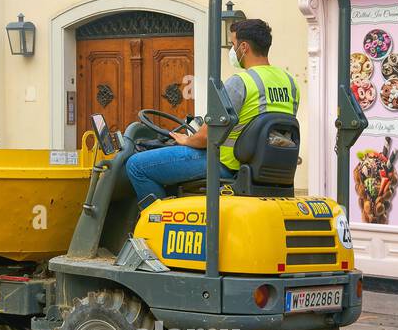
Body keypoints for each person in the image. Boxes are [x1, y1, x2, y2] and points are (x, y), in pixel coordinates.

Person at [124, 18, 300, 207]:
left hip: (227, 165)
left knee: (136, 166)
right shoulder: (290, 83)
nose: (232, 51)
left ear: (244, 47)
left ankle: (157, 224)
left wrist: (187, 139)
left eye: (233, 45)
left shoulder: (241, 82)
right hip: (265, 168)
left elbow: (206, 137)